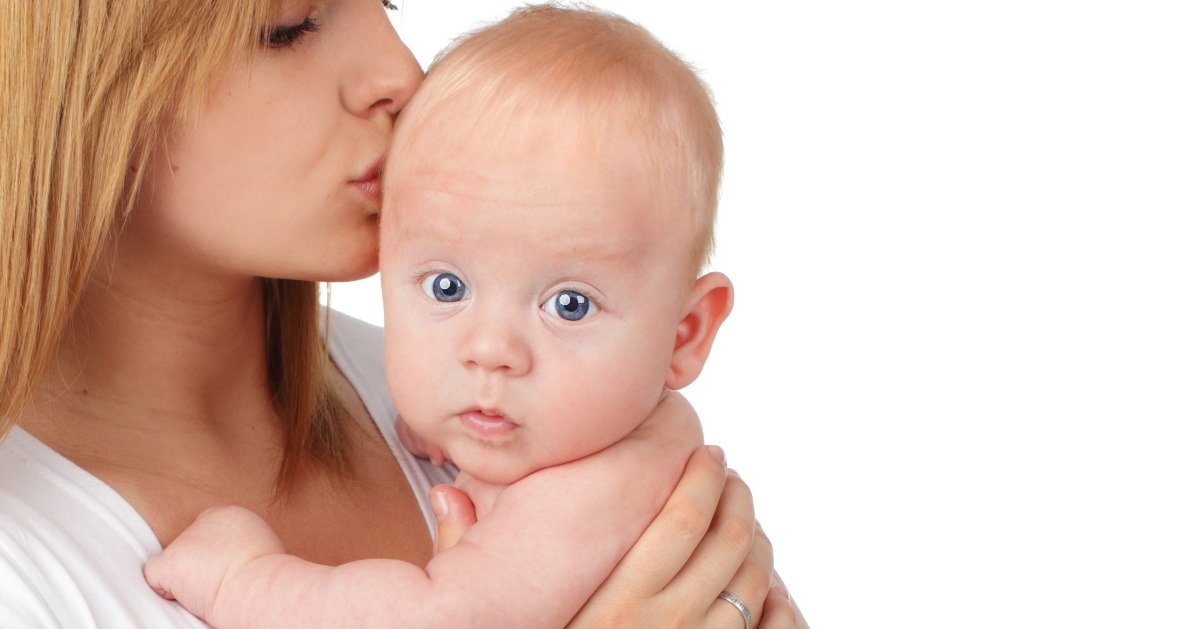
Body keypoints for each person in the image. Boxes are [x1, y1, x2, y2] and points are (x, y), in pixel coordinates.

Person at [0, 0, 801, 627]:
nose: (401, 72)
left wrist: (247, 580)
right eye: (290, 27)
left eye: (387, 1)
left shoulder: (474, 402)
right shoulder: (22, 565)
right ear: (67, 79)